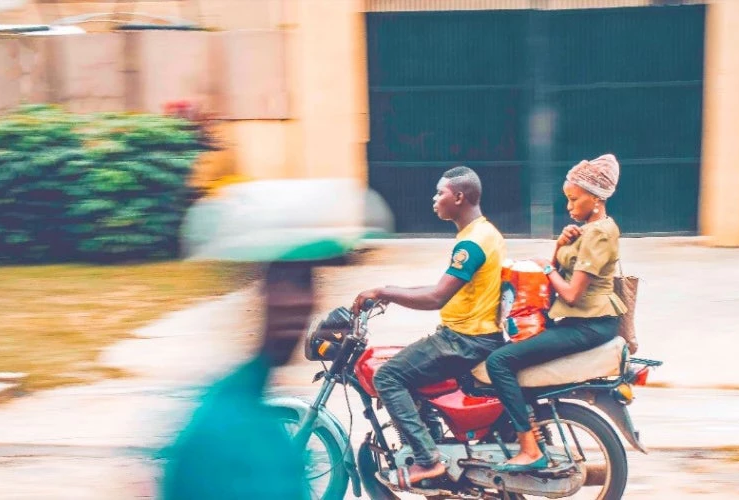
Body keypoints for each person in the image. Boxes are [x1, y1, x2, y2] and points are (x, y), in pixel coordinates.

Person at [352, 166, 506, 489]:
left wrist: (383, 292)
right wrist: (392, 293)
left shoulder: (472, 244)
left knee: (388, 376)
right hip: (473, 336)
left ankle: (428, 459)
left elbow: (437, 297)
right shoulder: (483, 233)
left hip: (464, 340)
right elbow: (444, 286)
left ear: (459, 197)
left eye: (440, 193)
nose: (435, 199)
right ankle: (431, 433)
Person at [484, 154, 628, 472]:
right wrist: (560, 245)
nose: (569, 206)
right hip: (582, 321)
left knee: (499, 362)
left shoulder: (599, 233)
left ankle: (530, 449)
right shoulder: (589, 229)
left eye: (574, 199)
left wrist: (546, 266)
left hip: (590, 324)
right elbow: (564, 272)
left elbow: (572, 293)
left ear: (595, 198)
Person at [159, 261, 317, 499]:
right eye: (282, 279)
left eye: (306, 282)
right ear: (259, 291)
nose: (298, 302)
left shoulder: (251, 408)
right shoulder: (224, 427)